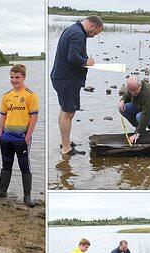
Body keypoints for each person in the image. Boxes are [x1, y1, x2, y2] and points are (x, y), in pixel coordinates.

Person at [50, 15, 103, 156]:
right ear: (92, 26)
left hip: (60, 77)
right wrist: (87, 62)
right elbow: (72, 57)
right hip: (67, 80)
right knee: (69, 112)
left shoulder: (72, 29)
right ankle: (66, 149)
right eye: (95, 33)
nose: (93, 36)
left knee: (64, 110)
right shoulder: (78, 34)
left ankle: (65, 142)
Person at [0, 64, 39, 207]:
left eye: (17, 77)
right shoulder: (6, 96)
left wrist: (28, 136)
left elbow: (34, 117)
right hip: (6, 137)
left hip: (22, 138)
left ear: (23, 77)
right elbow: (3, 116)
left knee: (24, 166)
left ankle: (27, 196)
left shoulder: (30, 95)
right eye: (12, 77)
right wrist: (0, 135)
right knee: (6, 163)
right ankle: (2, 190)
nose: (14, 80)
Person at [119, 76, 150, 144]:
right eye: (130, 90)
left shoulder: (147, 93)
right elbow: (127, 95)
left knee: (139, 117)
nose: (132, 93)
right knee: (124, 108)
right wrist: (122, 100)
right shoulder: (133, 87)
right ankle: (139, 127)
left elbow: (146, 114)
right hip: (142, 107)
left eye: (134, 91)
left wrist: (137, 134)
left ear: (140, 86)